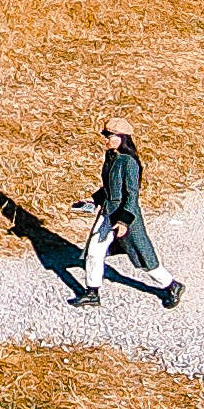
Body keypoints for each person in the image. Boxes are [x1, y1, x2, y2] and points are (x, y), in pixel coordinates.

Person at [72, 117, 183, 308]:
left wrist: (123, 222)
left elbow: (131, 196)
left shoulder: (129, 163)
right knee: (94, 252)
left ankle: (172, 285)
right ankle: (92, 292)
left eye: (110, 136)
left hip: (126, 216)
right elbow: (109, 188)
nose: (106, 139)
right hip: (107, 213)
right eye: (106, 135)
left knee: (144, 257)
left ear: (122, 138)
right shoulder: (111, 157)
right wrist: (94, 199)